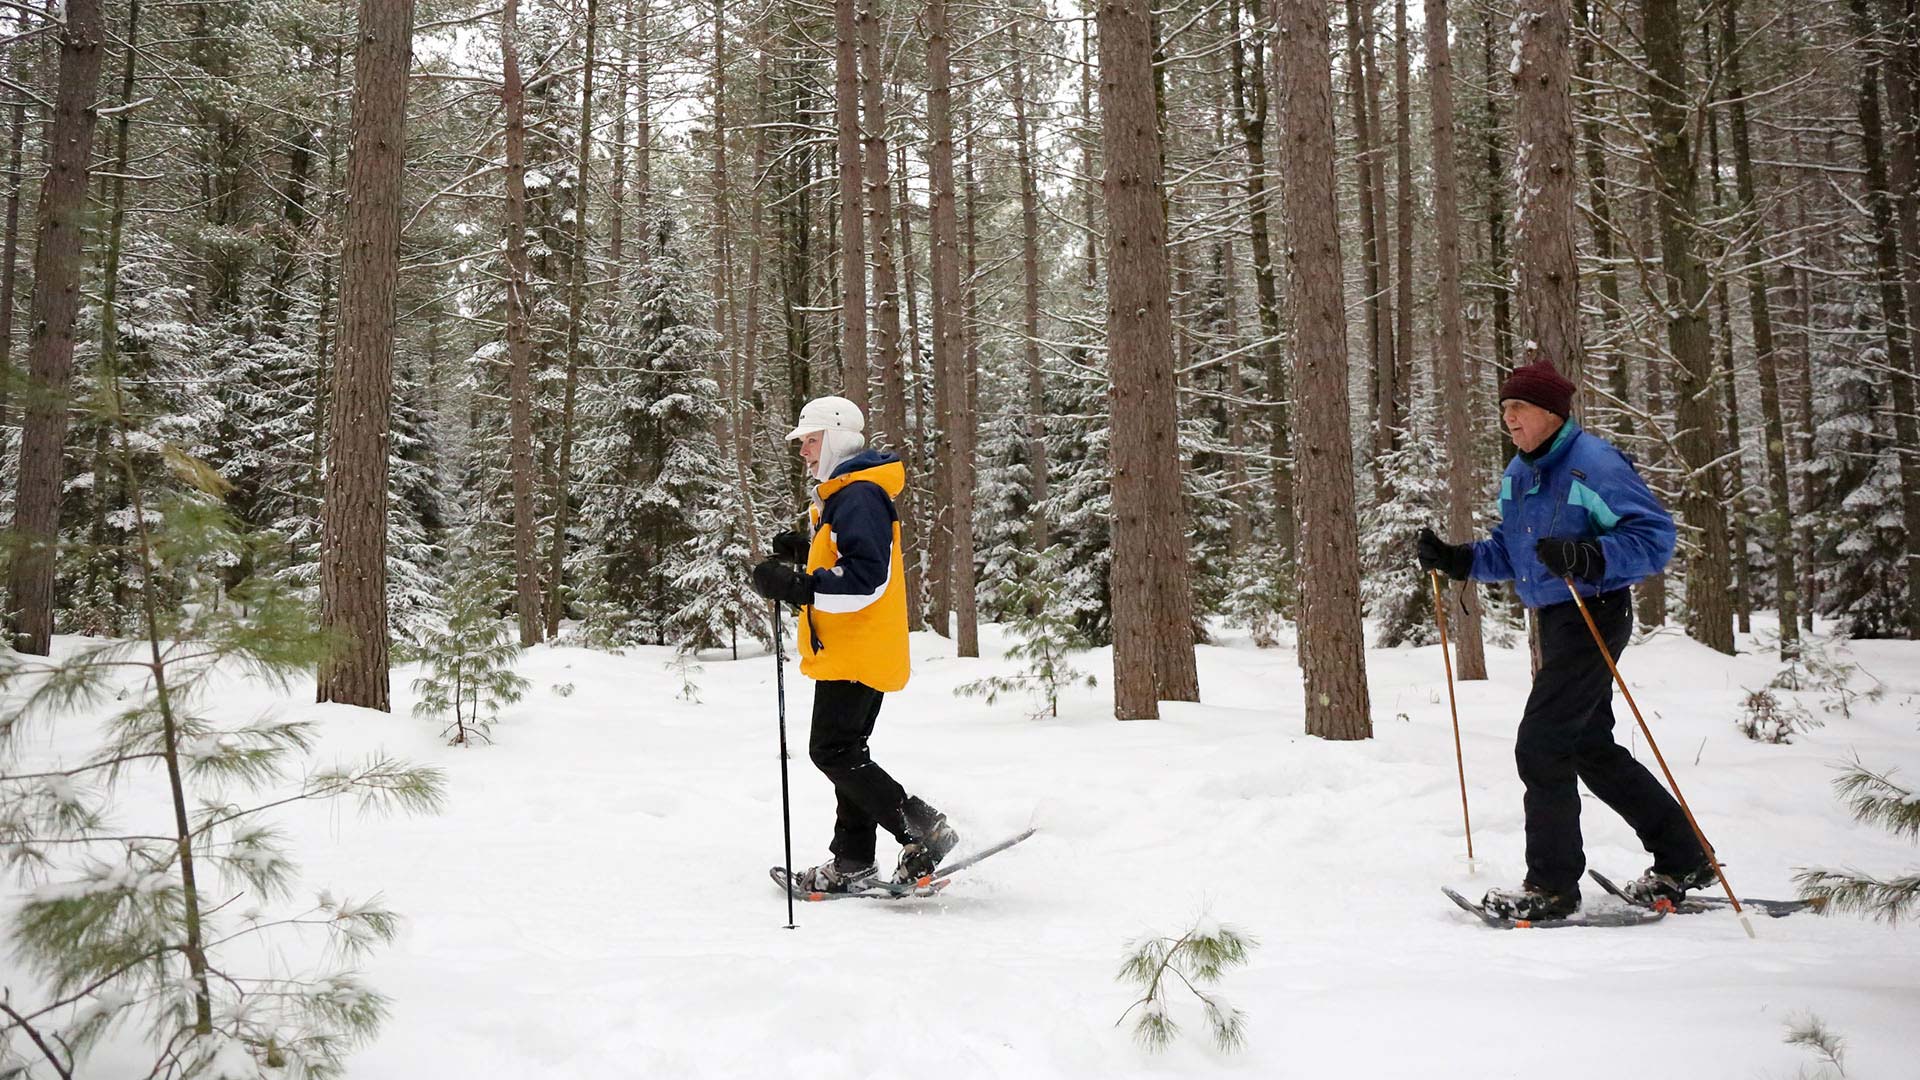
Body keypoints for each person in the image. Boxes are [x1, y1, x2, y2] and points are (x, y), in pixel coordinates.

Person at [1416, 361, 1713, 920]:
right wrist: (1459, 559)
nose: (1508, 419)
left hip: (1595, 609)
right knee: (1587, 747)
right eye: (1504, 409)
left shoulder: (1593, 465)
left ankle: (1552, 886)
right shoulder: (1519, 473)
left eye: (1518, 409)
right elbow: (1512, 551)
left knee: (1542, 742)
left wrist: (1592, 555)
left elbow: (1654, 537)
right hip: (1557, 619)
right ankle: (1684, 855)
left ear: (1551, 413)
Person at [749, 395, 960, 893]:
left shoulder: (860, 494)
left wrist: (796, 586)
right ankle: (852, 861)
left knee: (833, 750)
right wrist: (807, 551)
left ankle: (925, 831)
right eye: (801, 442)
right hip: (850, 645)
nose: (803, 450)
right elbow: (848, 557)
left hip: (857, 646)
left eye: (810, 440)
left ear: (837, 439)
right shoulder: (844, 495)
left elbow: (866, 579)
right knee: (848, 751)